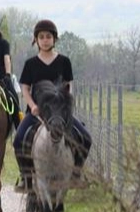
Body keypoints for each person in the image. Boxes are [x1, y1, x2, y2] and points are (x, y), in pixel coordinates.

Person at [12, 19, 92, 190]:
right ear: (36, 40)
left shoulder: (64, 61)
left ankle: (76, 174)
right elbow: (25, 88)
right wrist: (32, 105)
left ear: (54, 39)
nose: (45, 40)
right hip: (37, 113)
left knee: (85, 137)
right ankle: (25, 177)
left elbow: (69, 86)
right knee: (18, 139)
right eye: (41, 37)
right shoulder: (30, 64)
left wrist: (66, 106)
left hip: (60, 113)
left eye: (48, 36)